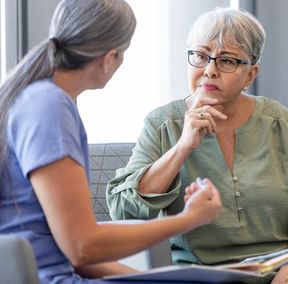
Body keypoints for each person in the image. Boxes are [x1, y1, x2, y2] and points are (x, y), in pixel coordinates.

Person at [107, 7, 288, 284]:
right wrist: (182, 147)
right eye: (200, 56)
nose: (210, 70)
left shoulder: (282, 124)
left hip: (283, 273)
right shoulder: (161, 124)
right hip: (202, 277)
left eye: (226, 61)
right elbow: (123, 211)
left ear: (250, 75)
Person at [0, 0, 222, 283]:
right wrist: (189, 219)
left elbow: (73, 253)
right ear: (109, 58)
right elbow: (83, 246)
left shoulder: (35, 98)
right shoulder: (50, 107)